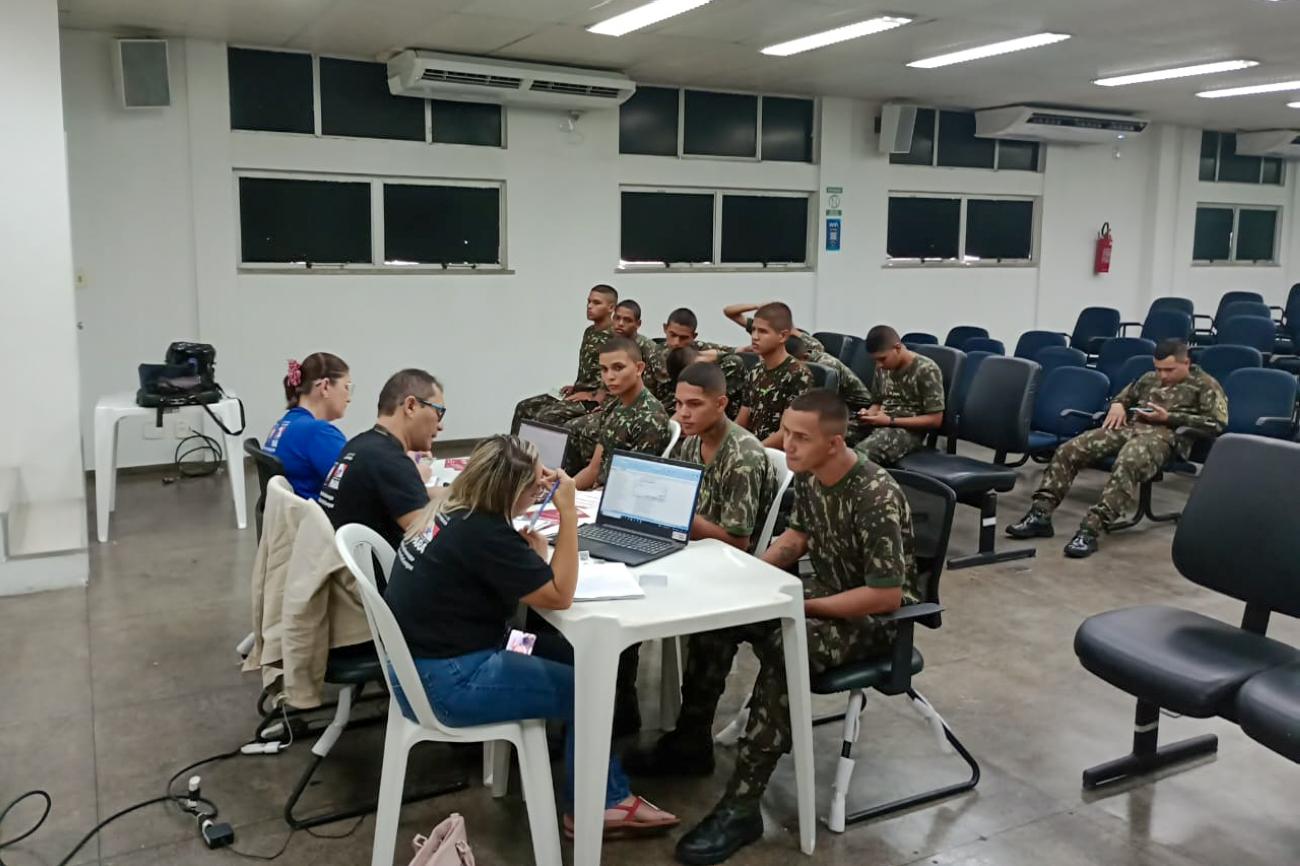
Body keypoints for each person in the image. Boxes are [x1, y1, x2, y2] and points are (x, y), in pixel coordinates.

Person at [623, 391, 919, 865]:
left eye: (801, 437)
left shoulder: (874, 494)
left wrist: (802, 606)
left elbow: (886, 595)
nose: (788, 445)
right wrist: (753, 579)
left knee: (787, 645)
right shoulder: (813, 475)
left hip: (872, 622)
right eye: (787, 432)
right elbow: (796, 538)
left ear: (835, 443)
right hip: (821, 598)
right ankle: (691, 740)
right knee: (721, 618)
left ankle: (743, 803)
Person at [383, 436, 679, 839]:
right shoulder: (486, 534)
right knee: (589, 687)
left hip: (432, 659)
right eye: (534, 485)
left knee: (574, 655)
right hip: (452, 678)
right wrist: (568, 514)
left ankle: (589, 770)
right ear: (511, 491)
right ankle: (601, 805)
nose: (541, 489)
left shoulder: (456, 510)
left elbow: (501, 580)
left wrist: (532, 560)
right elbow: (560, 595)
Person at [1006, 339, 1227, 558]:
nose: (1162, 375)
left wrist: (1169, 417)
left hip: (1165, 437)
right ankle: (1040, 515)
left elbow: (1217, 423)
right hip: (1130, 428)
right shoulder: (1149, 378)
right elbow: (1124, 396)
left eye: (1169, 370)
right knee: (1069, 449)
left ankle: (1091, 529)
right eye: (1158, 369)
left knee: (1128, 461)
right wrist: (1118, 405)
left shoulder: (1205, 385)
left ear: (1186, 362)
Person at [320, 369, 443, 552]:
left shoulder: (361, 445)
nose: (440, 425)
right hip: (382, 568)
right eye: (439, 412)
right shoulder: (390, 460)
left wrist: (458, 494)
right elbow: (430, 540)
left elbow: (404, 495)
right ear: (411, 406)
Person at [671, 362, 777, 552]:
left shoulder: (743, 456)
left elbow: (739, 544)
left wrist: (683, 518)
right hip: (691, 545)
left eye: (694, 404)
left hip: (726, 557)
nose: (682, 413)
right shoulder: (691, 443)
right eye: (679, 403)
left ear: (720, 404)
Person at [569, 337, 672, 491]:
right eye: (604, 369)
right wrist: (561, 490)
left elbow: (633, 485)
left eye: (618, 368)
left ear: (639, 368)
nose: (609, 377)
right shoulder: (614, 406)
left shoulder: (650, 417)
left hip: (620, 495)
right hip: (599, 492)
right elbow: (593, 469)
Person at [512, 284, 618, 429]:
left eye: (596, 303)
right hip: (579, 391)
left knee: (545, 417)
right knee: (524, 407)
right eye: (589, 301)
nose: (589, 306)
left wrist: (592, 395)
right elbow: (591, 368)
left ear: (611, 308)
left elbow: (616, 377)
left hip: (597, 399)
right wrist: (577, 386)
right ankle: (514, 444)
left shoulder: (616, 337)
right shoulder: (589, 331)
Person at [853, 325, 945, 466]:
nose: (879, 365)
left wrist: (890, 421)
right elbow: (877, 402)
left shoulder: (926, 369)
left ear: (897, 348)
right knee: (831, 435)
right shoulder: (882, 367)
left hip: (908, 430)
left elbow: (935, 420)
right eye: (875, 360)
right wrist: (869, 414)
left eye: (882, 359)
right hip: (882, 421)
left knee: (861, 454)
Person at [263, 353, 351, 499]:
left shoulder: (283, 425)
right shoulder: (317, 432)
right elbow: (358, 482)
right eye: (346, 387)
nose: (349, 398)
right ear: (325, 387)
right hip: (313, 512)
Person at [735, 303, 813, 446]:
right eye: (753, 330)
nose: (754, 337)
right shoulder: (756, 370)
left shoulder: (798, 374)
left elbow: (786, 432)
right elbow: (742, 420)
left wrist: (754, 452)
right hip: (754, 449)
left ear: (783, 336)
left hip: (778, 453)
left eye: (763, 332)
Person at [664, 307, 746, 419]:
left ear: (693, 337)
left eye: (683, 338)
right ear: (665, 329)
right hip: (668, 407)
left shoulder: (698, 349)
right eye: (673, 335)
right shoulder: (654, 355)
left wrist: (709, 357)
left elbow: (733, 354)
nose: (676, 342)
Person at [722, 300, 824, 357]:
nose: (755, 336)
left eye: (763, 331)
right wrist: (757, 306)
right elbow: (729, 312)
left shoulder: (808, 343)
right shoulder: (762, 326)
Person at [613, 299, 668, 393]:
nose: (620, 323)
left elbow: (665, 389)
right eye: (617, 318)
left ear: (638, 324)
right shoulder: (610, 345)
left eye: (627, 320)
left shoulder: (651, 350)